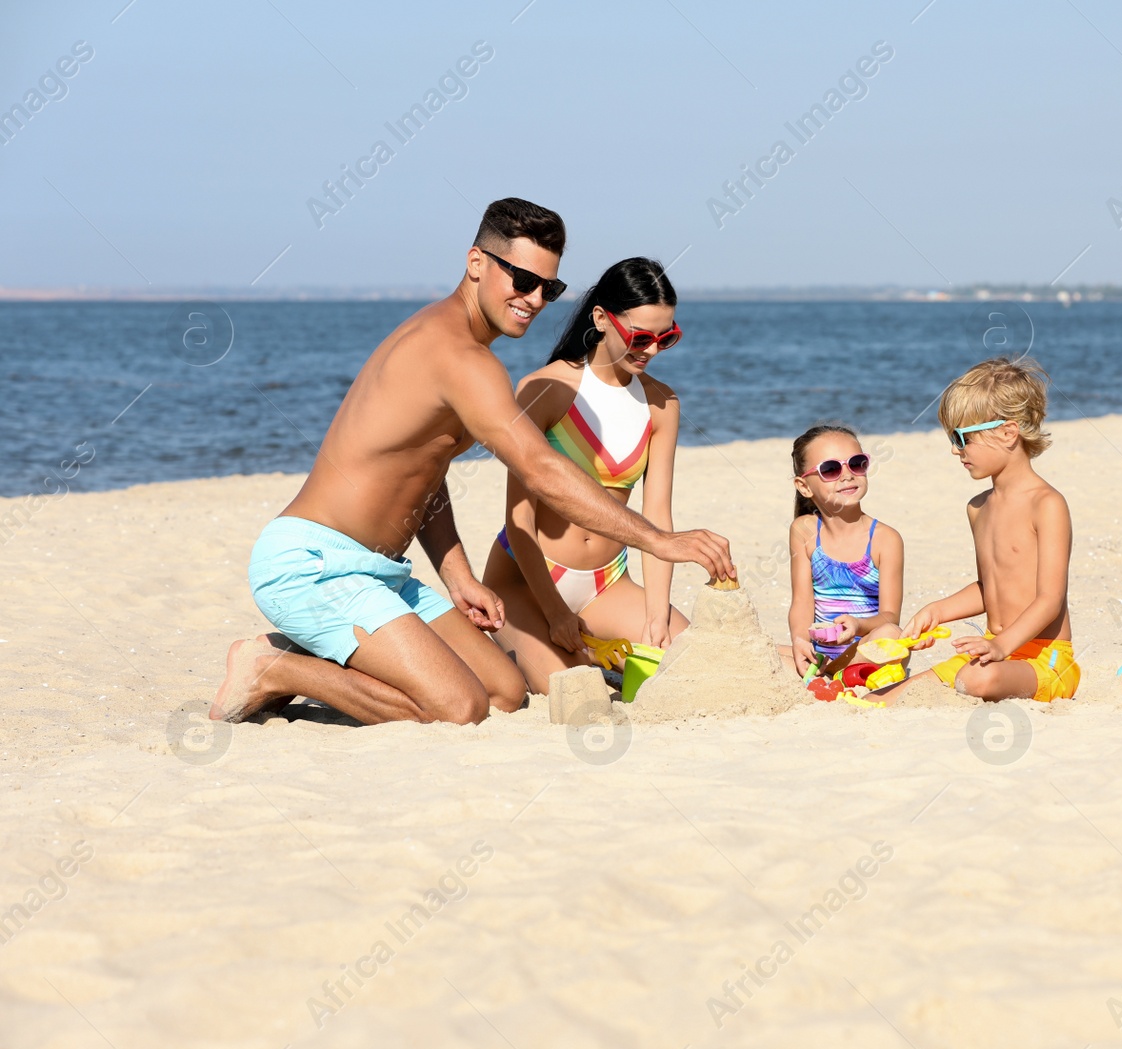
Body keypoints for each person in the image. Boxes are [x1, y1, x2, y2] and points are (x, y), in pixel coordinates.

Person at [210, 198, 734, 725]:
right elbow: (540, 469)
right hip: (316, 567)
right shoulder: (455, 353)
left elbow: (425, 474)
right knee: (459, 708)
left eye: (548, 289)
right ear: (476, 263)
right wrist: (659, 540)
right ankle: (271, 668)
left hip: (382, 574)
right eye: (522, 280)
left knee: (504, 692)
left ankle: (318, 649)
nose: (534, 299)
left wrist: (457, 576)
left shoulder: (472, 356)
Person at [481, 258, 690, 695]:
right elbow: (519, 522)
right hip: (526, 577)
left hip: (608, 583)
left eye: (666, 338)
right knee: (579, 693)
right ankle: (519, 643)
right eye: (640, 336)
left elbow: (657, 519)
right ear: (600, 318)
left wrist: (656, 612)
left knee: (692, 663)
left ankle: (596, 650)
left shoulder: (662, 404)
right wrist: (555, 612)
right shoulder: (544, 389)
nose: (651, 350)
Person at [886, 358, 1078, 703]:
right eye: (952, 438)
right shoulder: (978, 507)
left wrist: (1001, 645)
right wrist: (938, 610)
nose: (956, 449)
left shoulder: (1047, 504)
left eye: (963, 437)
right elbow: (991, 587)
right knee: (888, 697)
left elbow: (1050, 599)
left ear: (1007, 432)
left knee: (975, 681)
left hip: (1045, 659)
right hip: (993, 653)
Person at [778, 424, 904, 677]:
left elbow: (890, 617)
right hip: (820, 653)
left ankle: (844, 675)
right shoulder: (804, 530)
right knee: (756, 649)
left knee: (892, 636)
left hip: (863, 647)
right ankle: (833, 675)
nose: (847, 475)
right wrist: (800, 640)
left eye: (856, 463)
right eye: (831, 469)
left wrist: (858, 625)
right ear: (804, 487)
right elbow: (802, 601)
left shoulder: (885, 539)